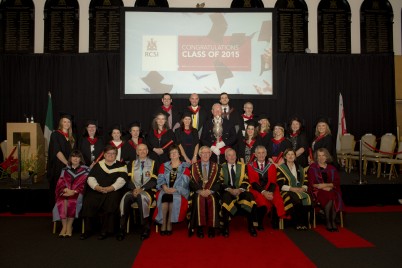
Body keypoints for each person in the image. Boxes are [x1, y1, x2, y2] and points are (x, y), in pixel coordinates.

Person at [80, 145, 128, 240]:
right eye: (108, 153)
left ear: (116, 155)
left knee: (111, 201)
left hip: (113, 191)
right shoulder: (98, 165)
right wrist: (97, 187)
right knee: (89, 201)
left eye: (113, 153)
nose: (110, 155)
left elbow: (122, 180)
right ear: (104, 155)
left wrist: (110, 188)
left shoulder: (121, 166)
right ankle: (88, 230)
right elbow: (91, 178)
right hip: (98, 190)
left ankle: (105, 230)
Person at [117, 144, 157, 241]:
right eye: (140, 150)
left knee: (141, 198)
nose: (142, 151)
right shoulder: (132, 163)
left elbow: (154, 180)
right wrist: (134, 189)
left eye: (144, 150)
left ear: (147, 151)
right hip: (133, 190)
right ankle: (121, 229)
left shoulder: (153, 163)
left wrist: (141, 189)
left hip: (147, 191)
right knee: (125, 198)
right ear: (137, 152)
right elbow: (128, 179)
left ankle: (145, 228)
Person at [220, 148, 257, 237]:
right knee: (225, 199)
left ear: (236, 156)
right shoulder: (221, 167)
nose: (232, 157)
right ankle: (225, 227)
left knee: (249, 198)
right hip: (228, 191)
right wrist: (230, 190)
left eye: (234, 155)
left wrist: (240, 189)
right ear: (225, 157)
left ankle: (251, 226)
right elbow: (220, 181)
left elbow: (246, 179)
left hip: (241, 190)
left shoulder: (243, 166)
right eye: (229, 155)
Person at [154, 146, 191, 235]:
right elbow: (160, 179)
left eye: (175, 152)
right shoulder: (164, 165)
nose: (173, 154)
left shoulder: (185, 166)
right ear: (169, 155)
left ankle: (169, 223)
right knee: (164, 197)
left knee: (173, 198)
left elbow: (185, 181)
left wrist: (175, 189)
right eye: (171, 153)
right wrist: (165, 187)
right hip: (165, 189)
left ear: (179, 154)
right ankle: (164, 223)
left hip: (180, 190)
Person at [247, 145, 286, 230]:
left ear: (266, 154)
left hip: (270, 188)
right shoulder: (250, 166)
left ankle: (275, 220)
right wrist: (264, 192)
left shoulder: (271, 166)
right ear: (255, 155)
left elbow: (273, 181)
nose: (261, 155)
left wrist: (270, 192)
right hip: (257, 189)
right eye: (259, 153)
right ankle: (260, 221)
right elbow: (253, 182)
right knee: (262, 201)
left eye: (263, 153)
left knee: (276, 199)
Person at [53, 150, 89, 237]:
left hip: (78, 192)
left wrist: (74, 191)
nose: (75, 158)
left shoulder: (86, 170)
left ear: (80, 159)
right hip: (65, 191)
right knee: (62, 200)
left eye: (78, 157)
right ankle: (64, 226)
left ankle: (69, 226)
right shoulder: (65, 169)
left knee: (72, 201)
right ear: (70, 158)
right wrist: (65, 190)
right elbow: (60, 183)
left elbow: (86, 184)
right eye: (73, 156)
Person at [189, 146, 222, 238]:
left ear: (211, 154)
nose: (205, 155)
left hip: (211, 192)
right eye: (203, 153)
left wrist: (210, 191)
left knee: (213, 199)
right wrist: (199, 191)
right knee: (198, 199)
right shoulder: (193, 167)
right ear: (200, 155)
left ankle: (212, 227)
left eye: (208, 153)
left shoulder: (217, 166)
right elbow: (191, 182)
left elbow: (219, 182)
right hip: (198, 192)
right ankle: (199, 227)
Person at [307, 148, 343, 232]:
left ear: (327, 157)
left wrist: (326, 185)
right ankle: (329, 221)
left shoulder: (332, 168)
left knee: (332, 195)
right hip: (317, 191)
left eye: (323, 155)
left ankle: (331, 221)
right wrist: (323, 187)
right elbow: (312, 183)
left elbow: (336, 182)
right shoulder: (313, 167)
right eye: (319, 156)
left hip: (331, 189)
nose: (321, 157)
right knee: (331, 196)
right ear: (316, 157)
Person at [276, 149, 311, 230]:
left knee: (307, 198)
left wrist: (303, 188)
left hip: (300, 190)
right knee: (295, 199)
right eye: (288, 154)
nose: (291, 156)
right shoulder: (281, 168)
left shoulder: (300, 168)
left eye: (292, 154)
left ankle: (304, 223)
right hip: (287, 191)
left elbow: (305, 181)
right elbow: (280, 184)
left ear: (295, 156)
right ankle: (296, 222)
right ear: (285, 156)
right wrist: (291, 188)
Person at [47, 113, 76, 205]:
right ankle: (57, 214)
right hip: (59, 166)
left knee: (68, 190)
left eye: (68, 122)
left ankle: (67, 212)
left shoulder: (72, 137)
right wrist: (67, 163)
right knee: (59, 189)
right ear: (61, 123)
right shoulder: (55, 134)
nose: (67, 123)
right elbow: (57, 152)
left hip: (70, 167)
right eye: (65, 122)